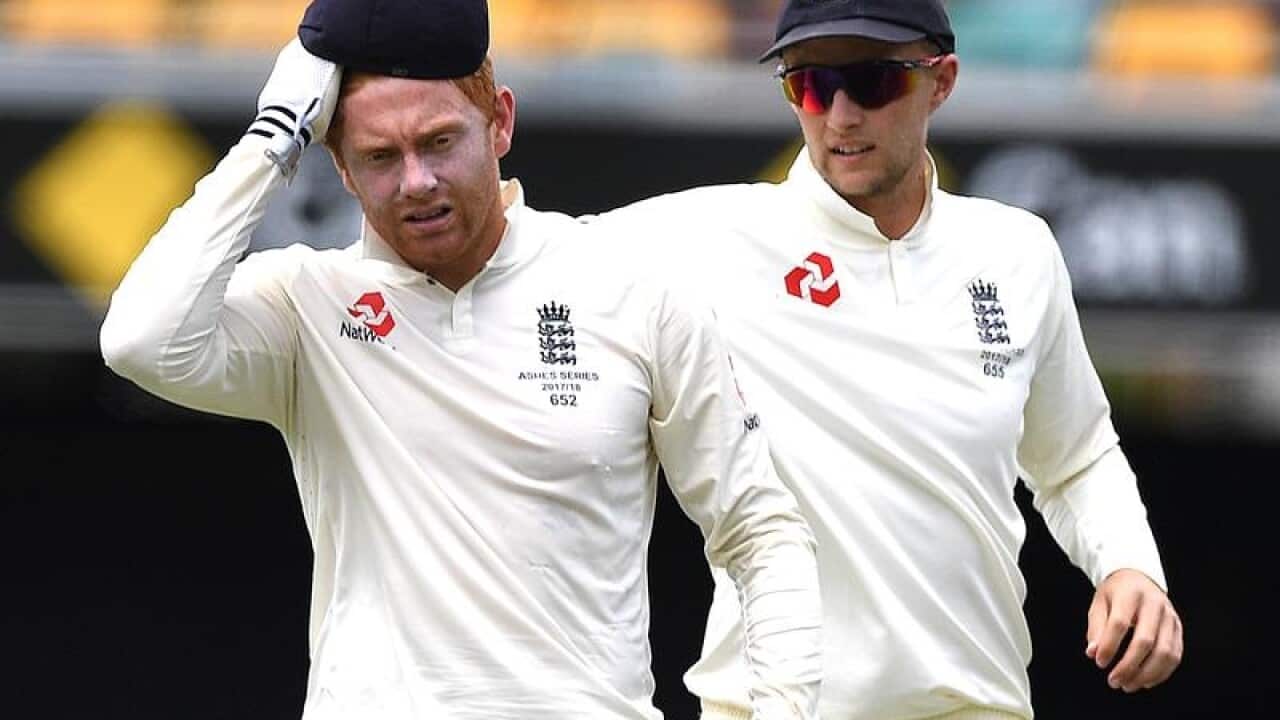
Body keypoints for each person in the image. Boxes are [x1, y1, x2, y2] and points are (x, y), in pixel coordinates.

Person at [96, 1, 823, 718]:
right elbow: (141, 340)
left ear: (500, 121)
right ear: (341, 169)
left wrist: (785, 709)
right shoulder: (307, 304)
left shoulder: (629, 287)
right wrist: (274, 135)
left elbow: (758, 529)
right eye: (380, 157)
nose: (416, 182)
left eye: (440, 142)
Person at [589, 1, 1184, 718]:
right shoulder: (708, 237)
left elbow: (1076, 454)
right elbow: (517, 253)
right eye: (808, 84)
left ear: (943, 81)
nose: (839, 114)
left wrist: (1130, 565)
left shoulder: (1018, 252)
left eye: (872, 81)